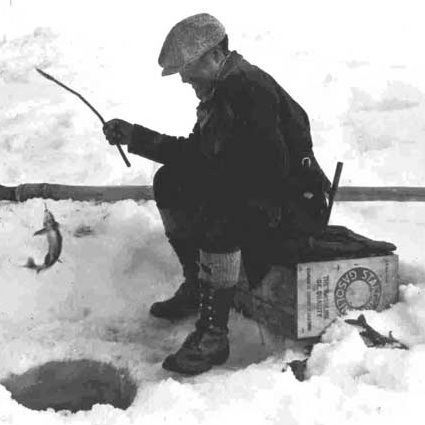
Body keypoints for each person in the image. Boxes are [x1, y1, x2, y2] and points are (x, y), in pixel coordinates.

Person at [103, 13, 330, 375]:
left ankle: (213, 335)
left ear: (213, 56)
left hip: (293, 207)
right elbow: (200, 154)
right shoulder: (223, 89)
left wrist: (215, 185)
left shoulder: (248, 90)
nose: (183, 78)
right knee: (171, 182)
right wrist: (136, 136)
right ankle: (197, 284)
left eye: (187, 68)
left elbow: (268, 172)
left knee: (219, 207)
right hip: (262, 193)